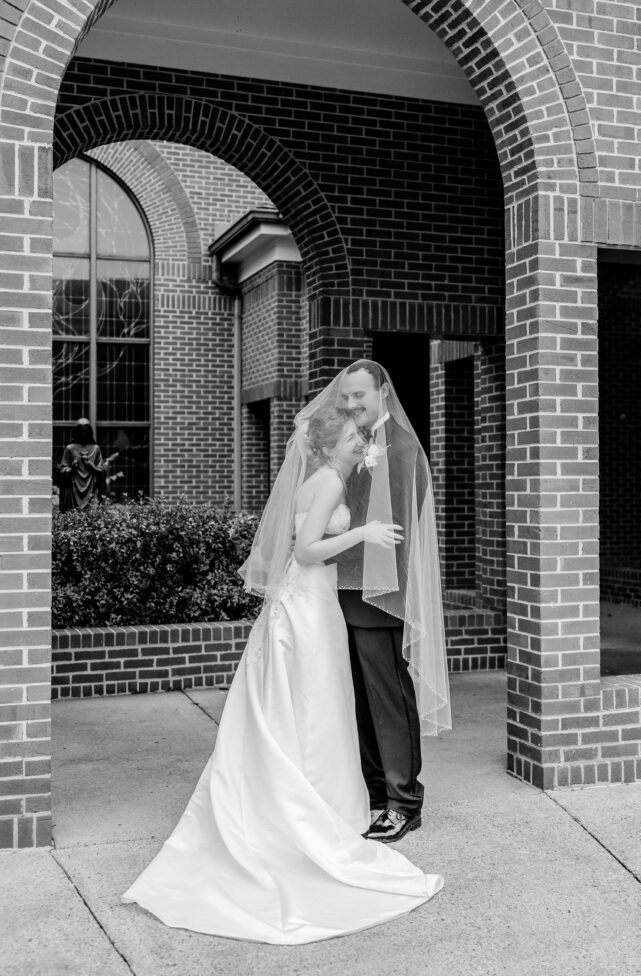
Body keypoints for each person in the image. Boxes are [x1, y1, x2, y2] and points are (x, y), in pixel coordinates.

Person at [121, 397, 443, 944]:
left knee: (302, 702)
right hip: (309, 605)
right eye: (351, 441)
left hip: (304, 604)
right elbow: (309, 549)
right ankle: (314, 809)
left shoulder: (315, 478)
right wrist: (364, 535)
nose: (360, 445)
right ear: (327, 446)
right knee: (316, 702)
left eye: (360, 439)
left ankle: (307, 799)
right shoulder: (330, 484)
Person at [332, 359, 451, 844]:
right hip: (342, 594)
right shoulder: (352, 445)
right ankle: (378, 793)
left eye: (360, 394)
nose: (351, 404)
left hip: (383, 599)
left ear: (383, 390)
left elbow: (403, 536)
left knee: (388, 701)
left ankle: (405, 802)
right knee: (360, 703)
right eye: (346, 396)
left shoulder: (400, 448)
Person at [58, 418, 107, 511]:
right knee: (73, 517)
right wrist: (72, 469)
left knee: (92, 519)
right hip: (73, 491)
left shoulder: (95, 449)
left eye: (86, 431)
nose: (83, 434)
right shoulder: (70, 449)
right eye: (81, 431)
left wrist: (92, 467)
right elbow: (62, 471)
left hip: (92, 489)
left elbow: (102, 471)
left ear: (89, 432)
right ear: (77, 432)